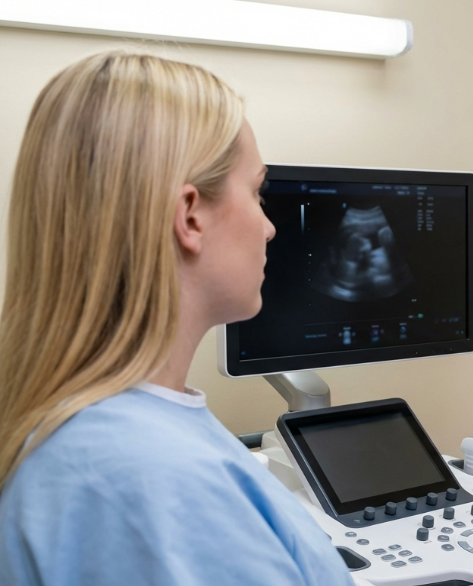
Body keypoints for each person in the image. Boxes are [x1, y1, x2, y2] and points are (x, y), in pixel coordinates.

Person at [0, 52, 354, 585]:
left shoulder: (108, 434)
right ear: (189, 215)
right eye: (257, 193)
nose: (269, 228)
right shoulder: (143, 475)